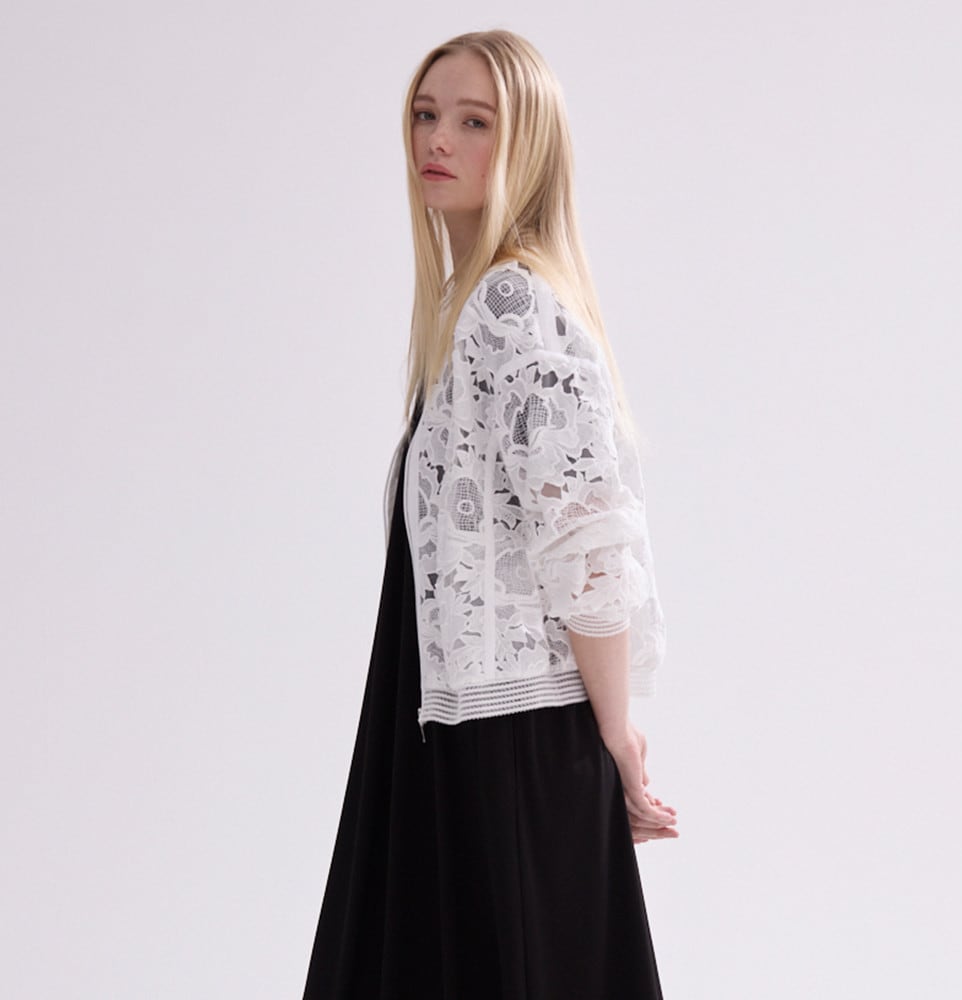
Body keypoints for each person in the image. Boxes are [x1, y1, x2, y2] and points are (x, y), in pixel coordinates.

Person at [302, 28, 678, 999]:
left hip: (514, 742)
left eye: (476, 122)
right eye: (427, 114)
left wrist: (618, 740)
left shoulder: (511, 305)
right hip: (454, 735)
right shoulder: (465, 312)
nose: (439, 139)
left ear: (526, 146)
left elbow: (585, 541)